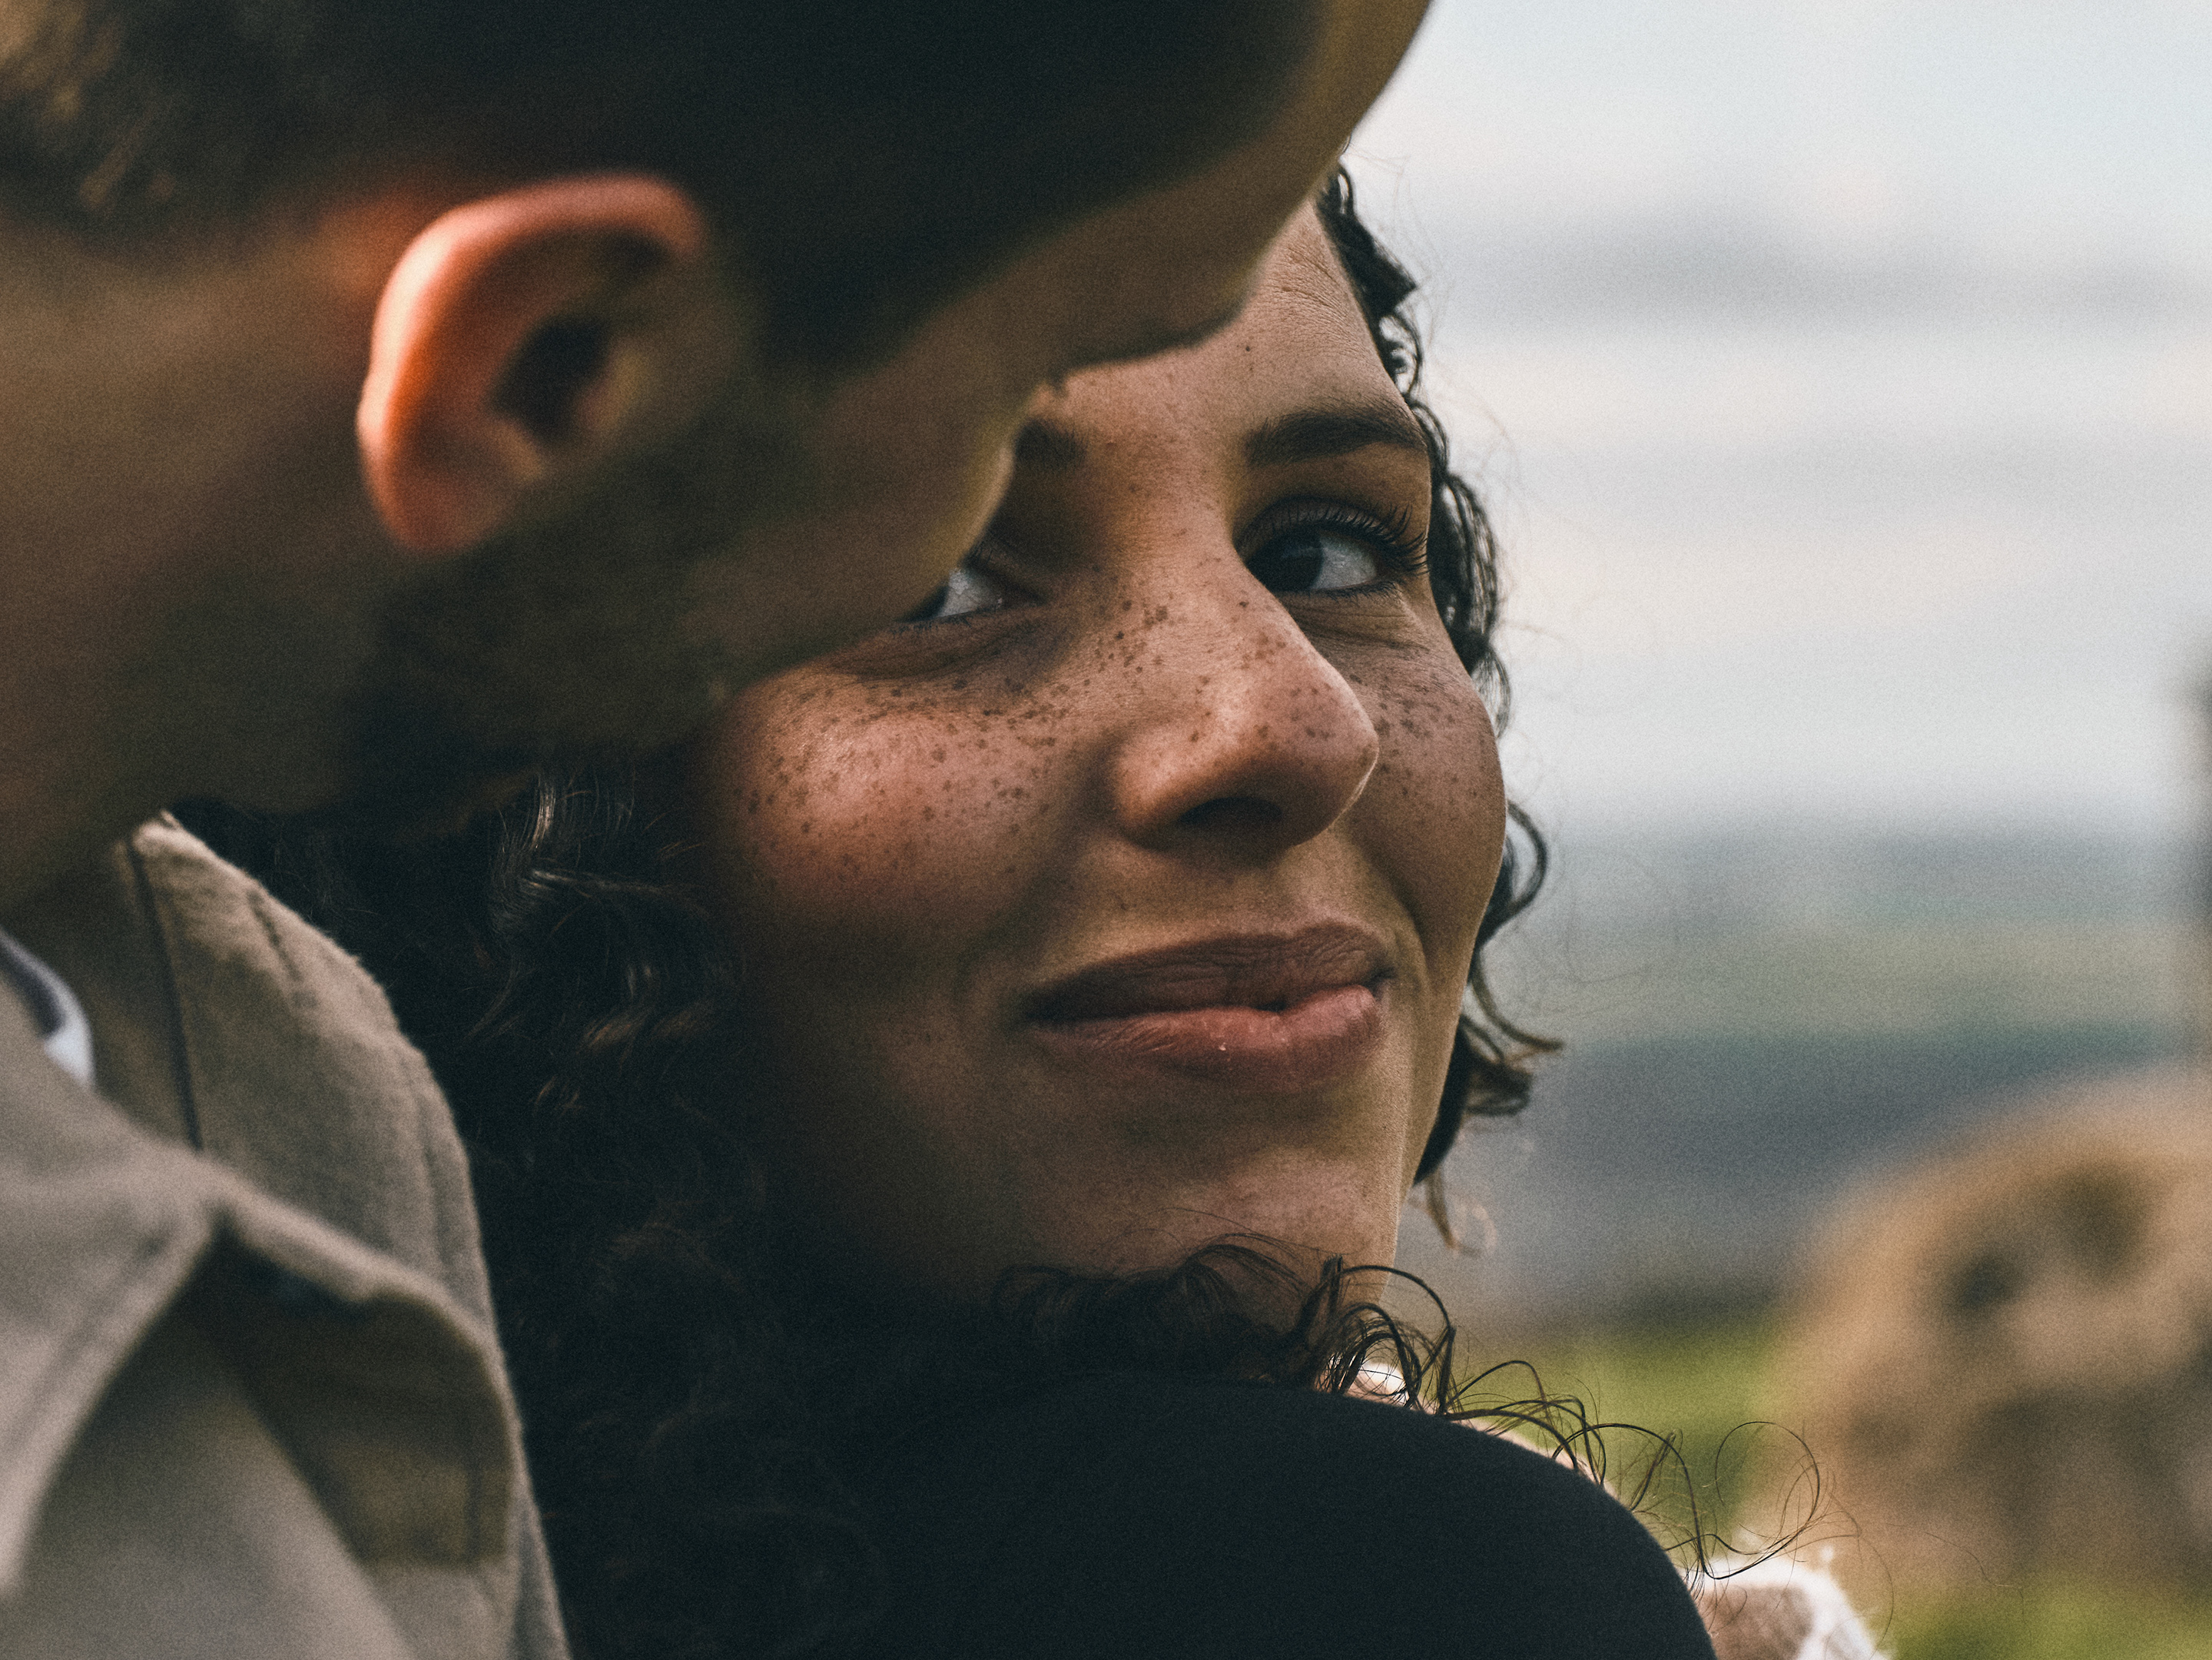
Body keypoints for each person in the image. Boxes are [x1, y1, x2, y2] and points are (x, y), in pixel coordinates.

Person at [0, 4, 1428, 1656]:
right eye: (958, 549)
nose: (1297, 724)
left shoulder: (253, 1056)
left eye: (1327, 549)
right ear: (548, 366)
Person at [203, 176, 1752, 1658]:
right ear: (490, 778)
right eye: (937, 582)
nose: (1292, 718)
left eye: (1323, 551)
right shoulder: (1378, 1586)